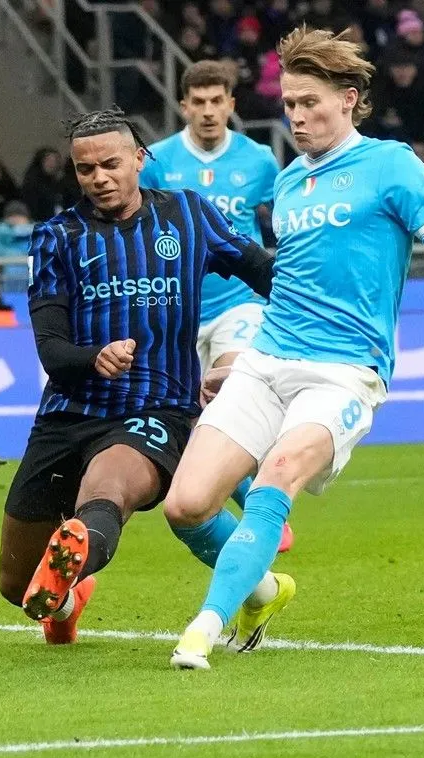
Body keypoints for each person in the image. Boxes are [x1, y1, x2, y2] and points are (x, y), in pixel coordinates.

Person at [162, 26, 424, 670]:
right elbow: (291, 280)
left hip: (343, 371)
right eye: (289, 104)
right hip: (268, 358)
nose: (298, 116)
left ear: (348, 98)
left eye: (310, 102)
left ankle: (205, 624)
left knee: (278, 474)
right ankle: (262, 591)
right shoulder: (288, 183)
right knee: (186, 505)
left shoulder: (392, 164)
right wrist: (243, 359)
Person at [0, 107, 275, 647]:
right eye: (85, 169)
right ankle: (68, 596)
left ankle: (77, 551)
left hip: (157, 408)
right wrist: (92, 357)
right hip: (67, 414)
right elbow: (51, 348)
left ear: (140, 159)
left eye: (110, 164)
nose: (99, 178)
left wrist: (317, 311)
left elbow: (267, 275)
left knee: (106, 491)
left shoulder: (188, 215)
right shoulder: (57, 237)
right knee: (17, 586)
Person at [141, 59, 298, 552]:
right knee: (197, 415)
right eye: (199, 102)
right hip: (180, 309)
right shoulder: (159, 161)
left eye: (217, 101)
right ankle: (247, 495)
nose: (208, 111)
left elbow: (282, 224)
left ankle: (261, 508)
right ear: (184, 106)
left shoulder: (259, 160)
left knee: (230, 392)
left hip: (240, 302)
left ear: (231, 104)